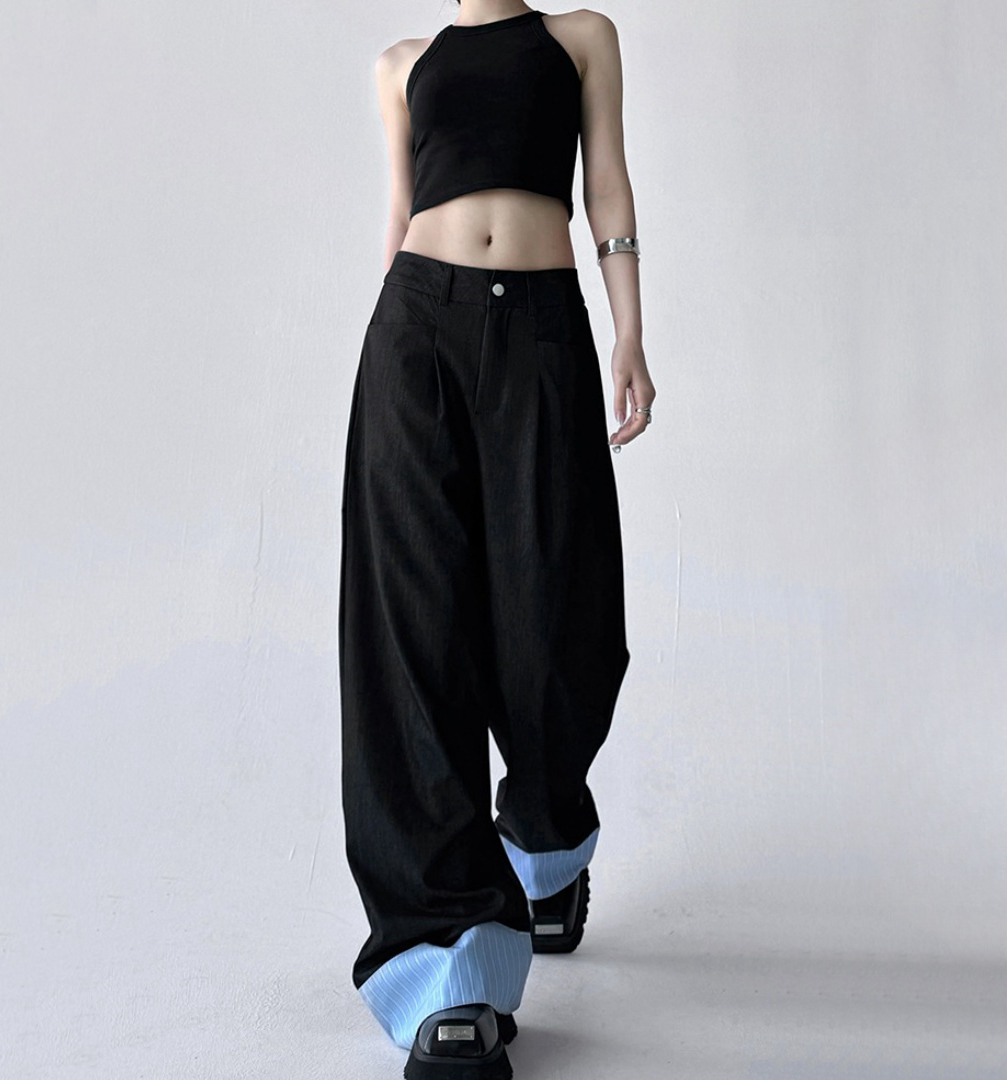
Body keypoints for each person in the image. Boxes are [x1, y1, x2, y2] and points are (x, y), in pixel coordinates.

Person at [338, 3, 655, 1076]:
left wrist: (630, 334)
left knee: (556, 618)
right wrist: (384, 355)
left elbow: (605, 186)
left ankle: (547, 840)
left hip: (542, 328)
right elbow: (399, 213)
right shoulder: (402, 66)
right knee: (414, 634)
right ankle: (447, 965)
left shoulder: (579, 39)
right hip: (415, 330)